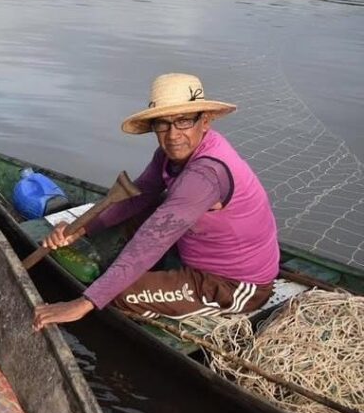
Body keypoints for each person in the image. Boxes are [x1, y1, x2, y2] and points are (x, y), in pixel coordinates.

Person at [33, 73, 279, 330]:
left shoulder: (205, 174)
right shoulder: (169, 155)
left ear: (204, 122)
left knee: (117, 295)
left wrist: (84, 302)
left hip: (232, 285)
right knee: (144, 206)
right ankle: (139, 277)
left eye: (183, 121)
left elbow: (153, 239)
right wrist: (78, 229)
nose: (173, 135)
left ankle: (166, 309)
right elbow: (136, 196)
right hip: (195, 256)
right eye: (163, 124)